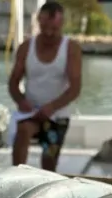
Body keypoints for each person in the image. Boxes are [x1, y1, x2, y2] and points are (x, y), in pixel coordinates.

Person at [8, 1, 82, 171]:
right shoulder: (26, 48)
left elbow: (75, 88)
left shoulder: (71, 49)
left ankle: (47, 181)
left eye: (54, 30)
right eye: (45, 28)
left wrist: (52, 107)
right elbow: (13, 83)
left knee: (49, 162)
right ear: (38, 23)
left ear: (62, 24)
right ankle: (17, 176)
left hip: (57, 115)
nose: (48, 33)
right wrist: (20, 100)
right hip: (31, 111)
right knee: (23, 131)